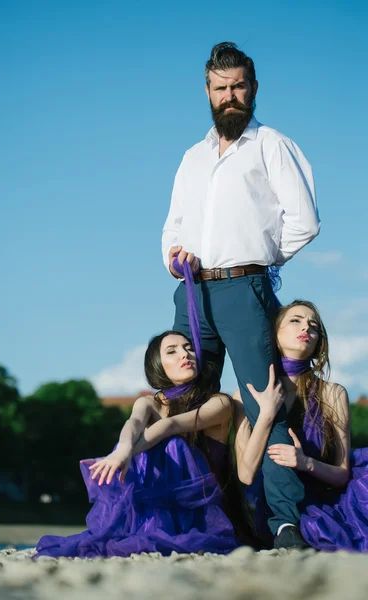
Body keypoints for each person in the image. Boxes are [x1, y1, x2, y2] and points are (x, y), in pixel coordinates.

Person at [162, 41, 320, 548]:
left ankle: (283, 523)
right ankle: (191, 517)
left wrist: (257, 259)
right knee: (186, 403)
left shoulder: (272, 144)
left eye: (238, 87)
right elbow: (173, 226)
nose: (230, 96)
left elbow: (304, 222)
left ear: (253, 89)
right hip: (190, 295)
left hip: (246, 290)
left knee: (262, 404)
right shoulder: (191, 157)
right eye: (220, 88)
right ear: (206, 92)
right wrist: (173, 256)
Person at [35, 330, 256, 559]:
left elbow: (169, 426)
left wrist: (127, 453)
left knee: (173, 445)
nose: (185, 354)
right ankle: (144, 526)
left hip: (205, 511)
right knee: (132, 444)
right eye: (172, 351)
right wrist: (120, 451)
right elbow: (134, 423)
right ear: (157, 364)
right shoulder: (149, 402)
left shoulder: (219, 402)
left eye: (189, 348)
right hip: (157, 506)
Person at [234, 299, 368, 551]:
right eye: (295, 321)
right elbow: (246, 473)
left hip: (327, 498)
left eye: (313, 325)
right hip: (275, 506)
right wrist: (266, 414)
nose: (306, 328)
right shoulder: (244, 395)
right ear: (273, 334)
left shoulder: (332, 393)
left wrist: (305, 462)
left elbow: (341, 474)